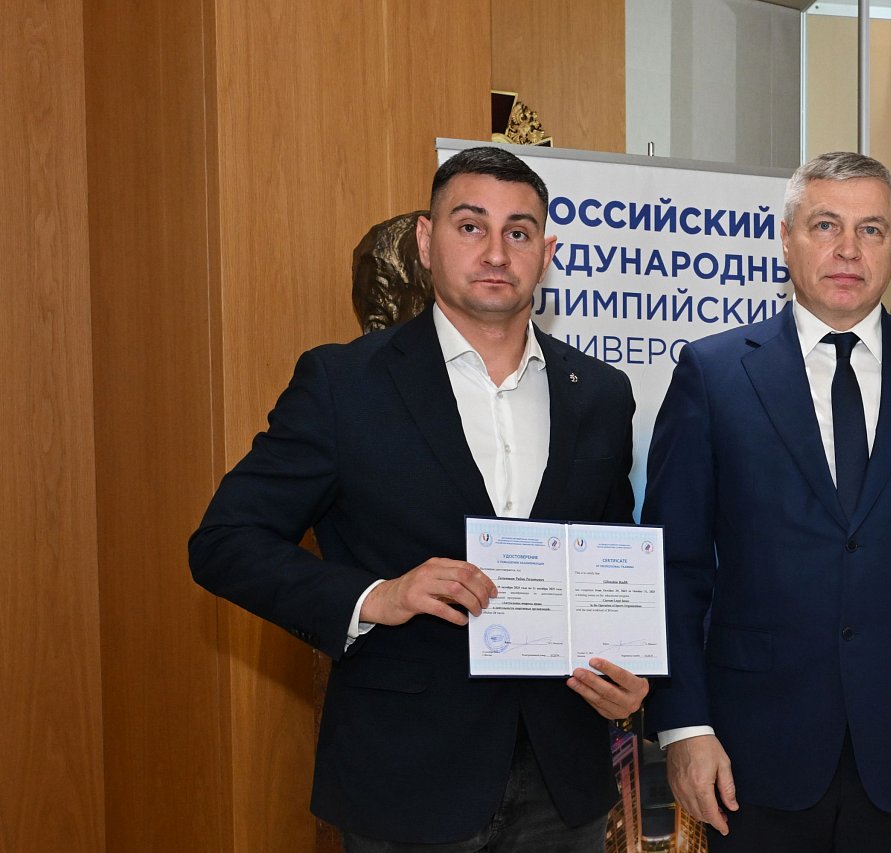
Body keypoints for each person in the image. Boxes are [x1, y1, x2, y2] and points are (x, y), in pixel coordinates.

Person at [190, 146, 648, 852]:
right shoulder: (344, 385)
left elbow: (610, 561)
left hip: (564, 780)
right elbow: (225, 542)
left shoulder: (602, 394)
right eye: (471, 226)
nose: (496, 251)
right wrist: (377, 595)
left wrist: (636, 679)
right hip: (404, 778)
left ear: (547, 253)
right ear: (428, 243)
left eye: (519, 231)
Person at [642, 151, 891, 852]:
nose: (848, 249)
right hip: (749, 750)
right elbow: (673, 567)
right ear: (786, 238)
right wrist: (685, 725)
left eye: (871, 230)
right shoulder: (714, 373)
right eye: (826, 225)